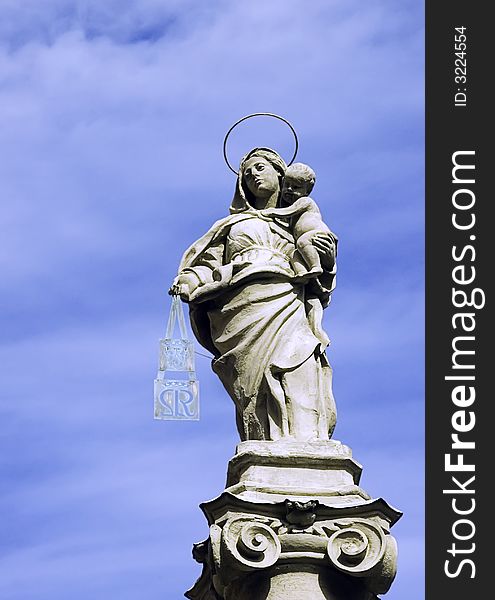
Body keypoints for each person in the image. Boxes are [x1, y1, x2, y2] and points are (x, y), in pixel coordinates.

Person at [170, 148, 338, 442]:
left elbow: (318, 259)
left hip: (286, 300)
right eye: (247, 174)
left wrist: (325, 255)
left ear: (279, 172)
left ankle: (306, 441)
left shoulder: (296, 219)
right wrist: (189, 279)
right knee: (252, 383)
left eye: (259, 168)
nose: (253, 176)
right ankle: (263, 442)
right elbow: (208, 265)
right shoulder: (232, 226)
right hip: (240, 309)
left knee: (299, 366)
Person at [262, 162, 331, 278]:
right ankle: (301, 274)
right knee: (295, 254)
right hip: (304, 239)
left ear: (306, 192)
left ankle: (316, 267)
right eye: (286, 184)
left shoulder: (305, 201)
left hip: (316, 235)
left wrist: (269, 212)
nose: (289, 189)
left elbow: (288, 211)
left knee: (302, 243)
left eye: (295, 187)